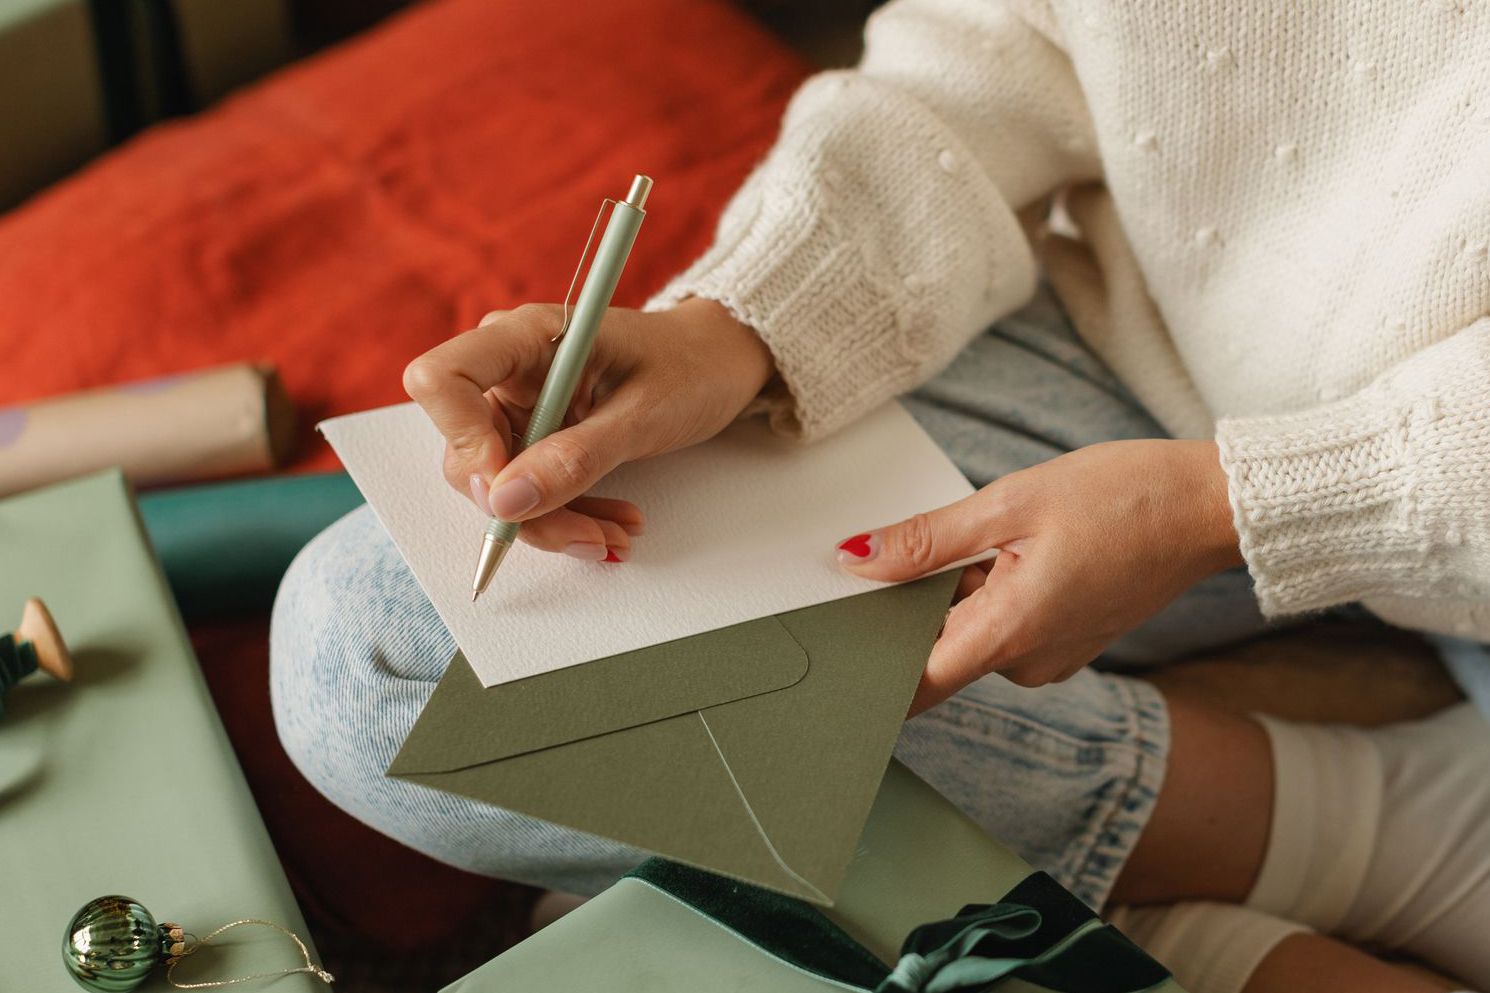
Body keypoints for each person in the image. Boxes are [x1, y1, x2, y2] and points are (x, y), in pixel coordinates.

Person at [270, 2, 1490, 990]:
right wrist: (734, 326)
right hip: (1131, 345)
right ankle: (1363, 829)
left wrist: (1225, 503)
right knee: (374, 649)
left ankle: (1011, 911)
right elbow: (994, 46)